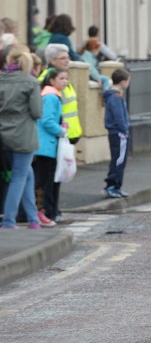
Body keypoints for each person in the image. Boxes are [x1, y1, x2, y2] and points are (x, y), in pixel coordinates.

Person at [0, 45, 45, 229]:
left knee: (27, 174)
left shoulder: (2, 80)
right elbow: (37, 112)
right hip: (24, 134)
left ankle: (33, 219)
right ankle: (9, 220)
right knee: (19, 176)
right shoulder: (30, 82)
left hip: (4, 133)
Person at [34, 67, 68, 224]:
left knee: (47, 180)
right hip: (46, 146)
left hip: (46, 145)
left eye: (66, 78)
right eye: (61, 78)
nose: (65, 81)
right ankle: (46, 212)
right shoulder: (51, 96)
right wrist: (61, 130)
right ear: (52, 80)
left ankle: (49, 211)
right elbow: (47, 121)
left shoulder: (51, 95)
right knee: (47, 181)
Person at [39, 45, 82, 149]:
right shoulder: (47, 79)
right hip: (57, 135)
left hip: (70, 134)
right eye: (63, 58)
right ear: (52, 61)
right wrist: (60, 131)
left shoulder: (63, 77)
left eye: (68, 58)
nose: (67, 61)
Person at [102, 68, 131, 199]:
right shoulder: (116, 96)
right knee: (119, 160)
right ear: (123, 82)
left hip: (115, 132)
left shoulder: (112, 95)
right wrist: (124, 130)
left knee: (118, 159)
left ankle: (116, 186)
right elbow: (119, 116)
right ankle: (112, 186)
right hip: (119, 133)